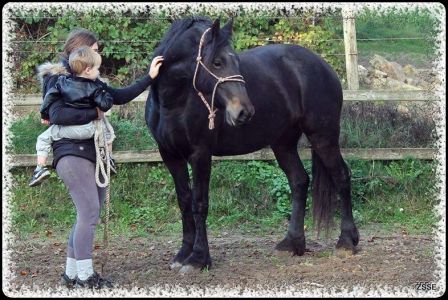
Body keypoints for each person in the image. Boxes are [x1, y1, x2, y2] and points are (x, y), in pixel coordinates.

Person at [36, 28, 163, 289]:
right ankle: (85, 277)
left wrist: (149, 77)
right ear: (79, 52)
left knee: (87, 214)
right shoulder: (58, 81)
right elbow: (58, 116)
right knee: (89, 212)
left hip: (92, 153)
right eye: (95, 50)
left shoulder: (91, 81)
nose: (99, 54)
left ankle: (72, 275)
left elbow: (119, 96)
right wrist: (95, 114)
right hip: (72, 153)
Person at [30, 46, 116, 187]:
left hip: (69, 130)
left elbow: (49, 97)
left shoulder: (62, 82)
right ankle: (109, 158)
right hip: (89, 129)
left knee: (43, 138)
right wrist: (105, 93)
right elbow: (105, 105)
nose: (99, 71)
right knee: (107, 132)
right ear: (88, 70)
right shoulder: (94, 87)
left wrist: (44, 114)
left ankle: (40, 168)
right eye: (97, 68)